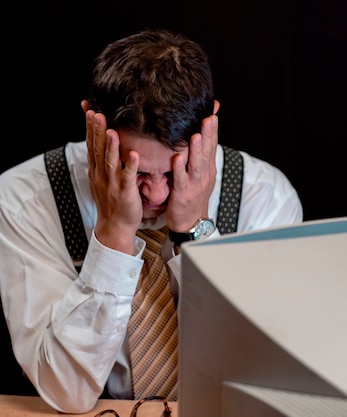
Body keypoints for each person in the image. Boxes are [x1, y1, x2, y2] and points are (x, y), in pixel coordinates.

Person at [0, 29, 303, 413]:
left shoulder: (264, 197)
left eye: (175, 170)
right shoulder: (26, 200)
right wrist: (113, 235)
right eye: (134, 169)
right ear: (93, 127)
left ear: (209, 127)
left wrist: (195, 230)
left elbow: (255, 378)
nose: (156, 196)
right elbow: (65, 390)